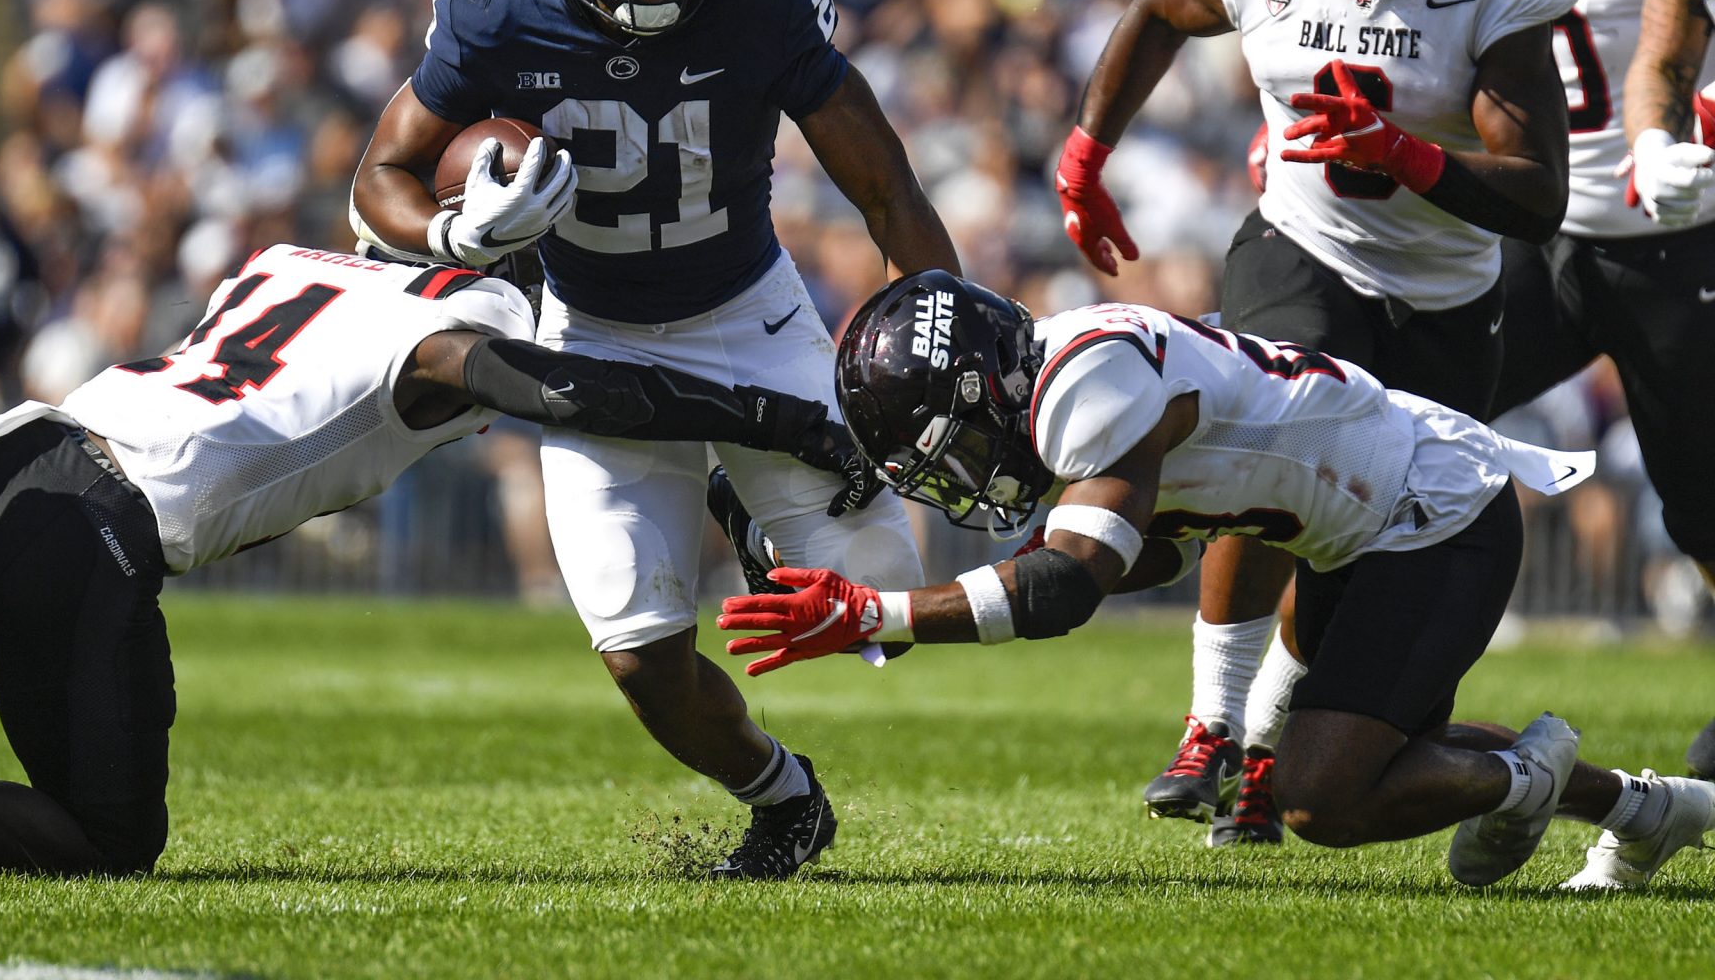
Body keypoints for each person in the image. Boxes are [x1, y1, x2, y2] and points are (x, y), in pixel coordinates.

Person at [0, 237, 867, 881]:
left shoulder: (290, 261)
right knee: (106, 840)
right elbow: (570, 392)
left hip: (6, 453)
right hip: (90, 521)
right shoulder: (468, 319)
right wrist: (771, 418)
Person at [348, 0, 958, 878]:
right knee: (640, 657)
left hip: (752, 317)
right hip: (595, 335)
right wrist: (455, 232)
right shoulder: (495, 2)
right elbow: (378, 175)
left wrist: (945, 313)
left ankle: (757, 517)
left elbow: (885, 186)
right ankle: (782, 794)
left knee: (879, 611)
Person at [718, 270, 1715, 891]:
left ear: (985, 384)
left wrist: (872, 613)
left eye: (948, 451)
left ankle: (1526, 777)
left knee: (1323, 796)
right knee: (1355, 752)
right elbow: (1146, 552)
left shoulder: (1086, 389)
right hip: (1353, 525)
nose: (956, 480)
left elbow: (1066, 586)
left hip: (1432, 517)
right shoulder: (1056, 381)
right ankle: (1645, 809)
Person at [1050, 0, 1580, 844]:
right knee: (1264, 445)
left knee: (1357, 549)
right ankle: (1209, 720)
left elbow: (1536, 196)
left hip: (1443, 295)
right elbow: (1158, 7)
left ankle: (1264, 749)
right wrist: (1088, 148)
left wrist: (1408, 153)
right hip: (1304, 245)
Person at [1511, 0, 1715, 785]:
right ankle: (1303, 704)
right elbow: (1656, 63)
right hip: (1543, 229)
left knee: (1703, 505)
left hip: (1676, 244)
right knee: (1394, 398)